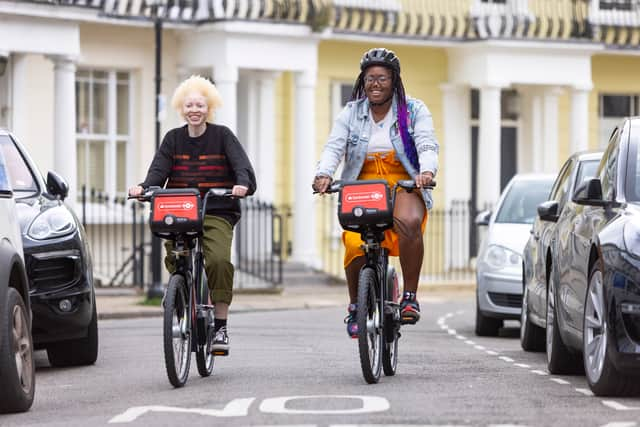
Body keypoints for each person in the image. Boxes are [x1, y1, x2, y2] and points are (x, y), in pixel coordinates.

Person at [312, 48, 438, 338]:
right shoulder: (351, 112)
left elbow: (427, 144)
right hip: (363, 182)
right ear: (363, 81)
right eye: (370, 79)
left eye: (382, 78)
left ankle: (409, 296)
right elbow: (334, 146)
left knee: (408, 223)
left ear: (394, 81)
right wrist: (323, 174)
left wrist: (427, 172)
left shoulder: (414, 110)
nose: (375, 84)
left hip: (404, 181)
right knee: (355, 243)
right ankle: (356, 305)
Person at [129, 75, 256, 355]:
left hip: (216, 210)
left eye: (199, 105)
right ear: (181, 108)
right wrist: (143, 188)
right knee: (176, 257)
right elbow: (158, 173)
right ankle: (179, 292)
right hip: (180, 212)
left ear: (208, 107)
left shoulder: (222, 135)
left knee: (219, 261)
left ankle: (220, 325)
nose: (194, 110)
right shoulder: (172, 139)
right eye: (189, 105)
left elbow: (243, 170)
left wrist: (242, 185)